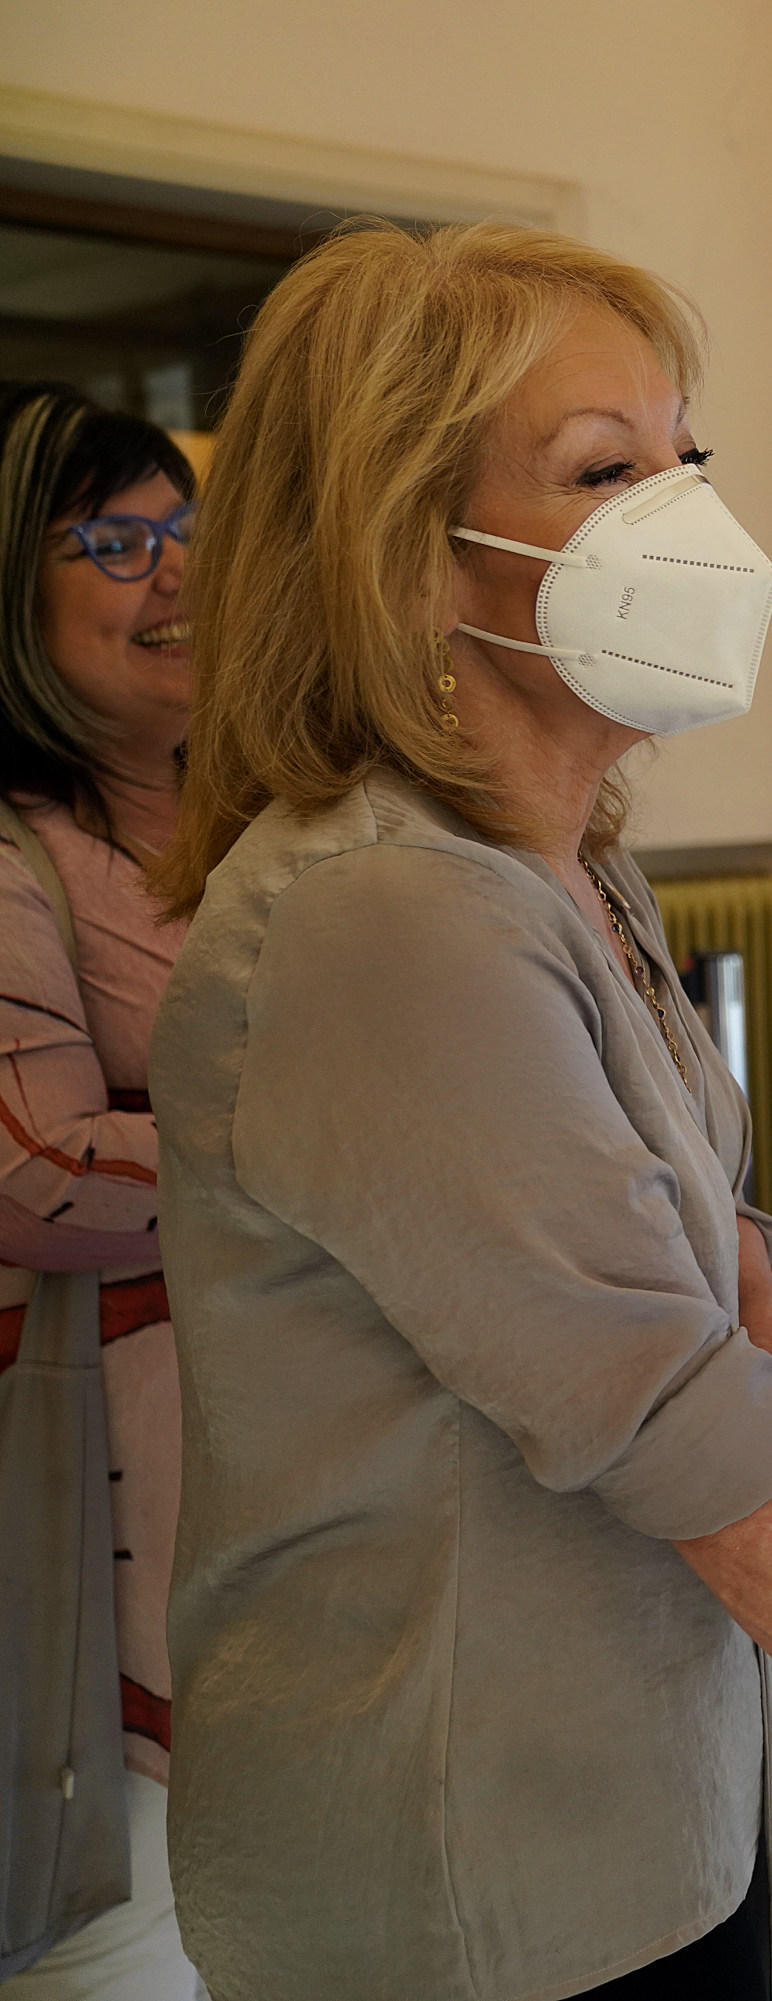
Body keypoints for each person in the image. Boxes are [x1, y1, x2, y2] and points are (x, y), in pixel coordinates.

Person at [146, 224, 772, 2001]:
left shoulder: (565, 859)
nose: (685, 517)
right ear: (408, 555)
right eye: (604, 472)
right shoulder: (388, 915)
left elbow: (681, 1187)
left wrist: (769, 1323)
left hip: (620, 1775)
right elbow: (675, 1429)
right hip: (470, 1852)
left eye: (684, 457)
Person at [0, 383, 199, 2000]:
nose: (177, 571)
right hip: (118, 1531)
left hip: (321, 1533)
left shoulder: (276, 811)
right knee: (121, 1945)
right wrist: (351, 1144)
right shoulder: (18, 855)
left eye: (189, 530)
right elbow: (38, 1172)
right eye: (118, 543)